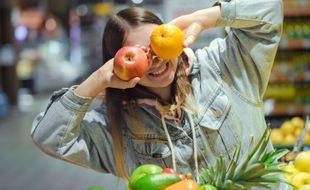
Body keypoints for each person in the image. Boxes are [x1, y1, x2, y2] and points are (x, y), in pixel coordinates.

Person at [31, 0, 289, 188]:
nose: (154, 61)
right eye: (139, 54)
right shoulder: (115, 127)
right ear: (118, 63)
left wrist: (209, 17)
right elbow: (48, 136)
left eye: (156, 46)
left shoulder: (222, 66)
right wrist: (97, 80)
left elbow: (270, 10)